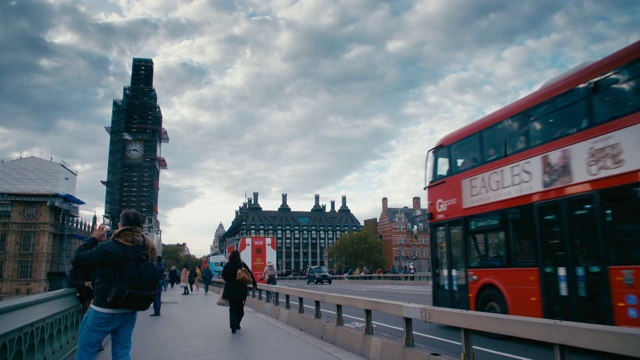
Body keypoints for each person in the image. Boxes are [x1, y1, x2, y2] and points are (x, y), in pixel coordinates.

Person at [72, 209, 157, 360]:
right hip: (129, 308)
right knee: (122, 354)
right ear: (141, 227)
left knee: (85, 353)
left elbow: (78, 260)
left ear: (120, 225)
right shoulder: (147, 247)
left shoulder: (109, 247)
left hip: (103, 308)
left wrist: (93, 239)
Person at [221, 250, 257, 333]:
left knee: (232, 308)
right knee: (240, 308)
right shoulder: (241, 264)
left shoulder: (227, 265)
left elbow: (224, 276)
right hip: (241, 289)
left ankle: (233, 325)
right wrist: (254, 284)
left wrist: (230, 280)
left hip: (230, 290)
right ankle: (237, 323)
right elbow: (249, 273)